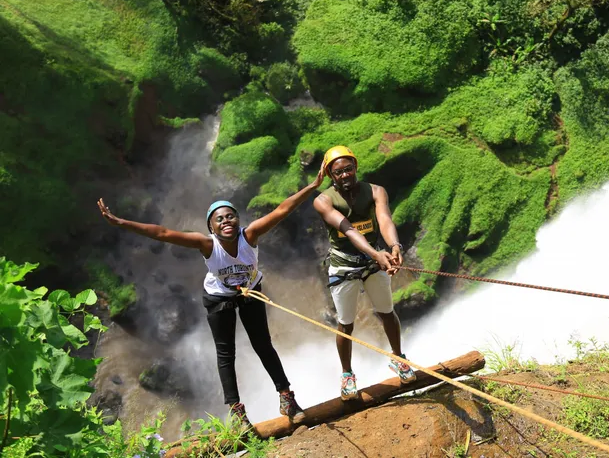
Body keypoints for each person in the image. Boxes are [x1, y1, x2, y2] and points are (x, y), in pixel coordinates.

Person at [96, 163, 324, 429]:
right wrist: (121, 222)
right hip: (219, 298)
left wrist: (312, 186)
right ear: (211, 228)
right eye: (219, 219)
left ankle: (287, 399)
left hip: (250, 292)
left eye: (230, 216)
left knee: (263, 345)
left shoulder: (250, 236)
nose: (226, 221)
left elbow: (282, 210)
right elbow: (163, 233)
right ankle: (238, 413)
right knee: (226, 354)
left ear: (238, 220)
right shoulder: (206, 244)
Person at [312, 145, 417, 401]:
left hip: (374, 261)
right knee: (345, 323)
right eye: (338, 172)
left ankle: (398, 358)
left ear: (356, 167)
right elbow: (348, 229)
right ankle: (347, 373)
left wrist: (394, 246)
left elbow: (384, 220)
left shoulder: (376, 191)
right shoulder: (323, 201)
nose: (345, 175)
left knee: (387, 312)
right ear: (330, 175)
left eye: (348, 169)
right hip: (344, 264)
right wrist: (376, 255)